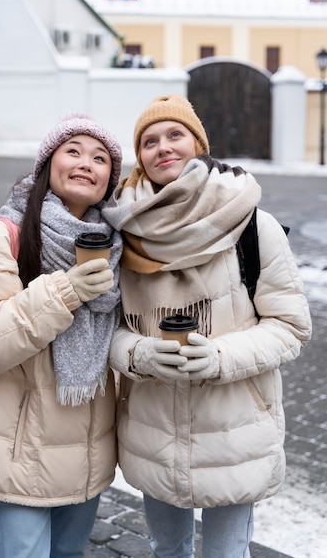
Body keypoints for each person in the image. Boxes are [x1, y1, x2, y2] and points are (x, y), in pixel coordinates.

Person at [102, 94, 312, 558]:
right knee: (168, 551)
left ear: (198, 144)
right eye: (150, 141)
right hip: (153, 429)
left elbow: (291, 327)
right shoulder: (123, 230)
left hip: (236, 427)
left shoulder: (252, 224)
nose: (163, 148)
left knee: (227, 554)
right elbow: (103, 328)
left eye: (175, 135)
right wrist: (136, 354)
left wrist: (218, 358)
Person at [0, 114, 123, 558]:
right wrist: (65, 292)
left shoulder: (117, 247)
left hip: (87, 452)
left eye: (100, 158)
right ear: (48, 164)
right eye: (73, 151)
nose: (86, 163)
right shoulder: (2, 235)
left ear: (108, 180)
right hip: (17, 450)